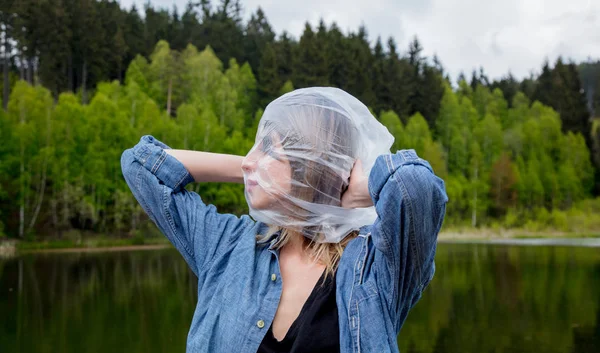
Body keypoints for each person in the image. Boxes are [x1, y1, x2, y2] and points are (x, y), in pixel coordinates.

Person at [120, 87, 448, 353]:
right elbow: (140, 164)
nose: (251, 160)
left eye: (270, 149)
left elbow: (415, 186)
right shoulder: (228, 244)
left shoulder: (375, 269)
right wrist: (254, 168)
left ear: (311, 166)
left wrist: (356, 187)